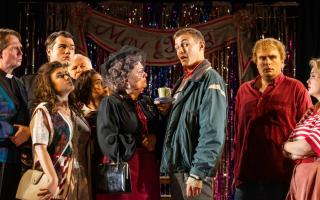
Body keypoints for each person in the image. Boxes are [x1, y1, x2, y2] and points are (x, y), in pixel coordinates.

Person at [233, 38, 312, 200]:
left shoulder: (296, 88)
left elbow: (308, 131)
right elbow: (238, 133)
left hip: (282, 175)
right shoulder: (244, 90)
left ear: (282, 60)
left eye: (272, 57)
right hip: (248, 175)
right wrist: (236, 173)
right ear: (255, 61)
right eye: (262, 58)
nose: (267, 62)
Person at [160, 27, 227, 199]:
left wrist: (198, 172)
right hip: (179, 171)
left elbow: (213, 130)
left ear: (201, 45)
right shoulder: (184, 81)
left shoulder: (210, 78)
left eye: (185, 44)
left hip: (193, 172)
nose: (180, 50)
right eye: (177, 47)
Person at [97, 46, 161, 200]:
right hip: (125, 169)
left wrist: (154, 137)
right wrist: (139, 141)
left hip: (148, 168)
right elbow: (108, 142)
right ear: (125, 79)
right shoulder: (110, 103)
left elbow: (158, 128)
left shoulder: (146, 102)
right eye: (139, 72)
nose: (145, 74)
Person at [30, 61, 90, 199]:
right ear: (49, 84)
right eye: (60, 75)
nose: (67, 77)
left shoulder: (75, 112)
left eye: (67, 74)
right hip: (54, 177)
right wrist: (52, 179)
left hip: (75, 177)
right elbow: (40, 146)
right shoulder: (45, 110)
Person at [283, 58, 320, 200]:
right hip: (300, 177)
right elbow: (289, 148)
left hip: (315, 179)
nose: (308, 81)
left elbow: (306, 147)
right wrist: (287, 146)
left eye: (313, 76)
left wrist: (288, 146)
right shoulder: (311, 111)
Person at [0, 28, 30, 199]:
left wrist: (28, 132)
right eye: (14, 48)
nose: (20, 52)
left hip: (16, 162)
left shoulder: (19, 83)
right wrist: (15, 132)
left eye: (21, 48)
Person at [74, 69, 107, 198]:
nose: (104, 85)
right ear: (87, 88)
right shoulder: (77, 113)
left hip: (106, 163)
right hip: (85, 164)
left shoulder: (111, 109)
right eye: (99, 82)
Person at [22, 30, 75, 111]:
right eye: (62, 47)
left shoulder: (76, 85)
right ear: (49, 51)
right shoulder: (27, 82)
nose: (68, 51)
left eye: (72, 48)